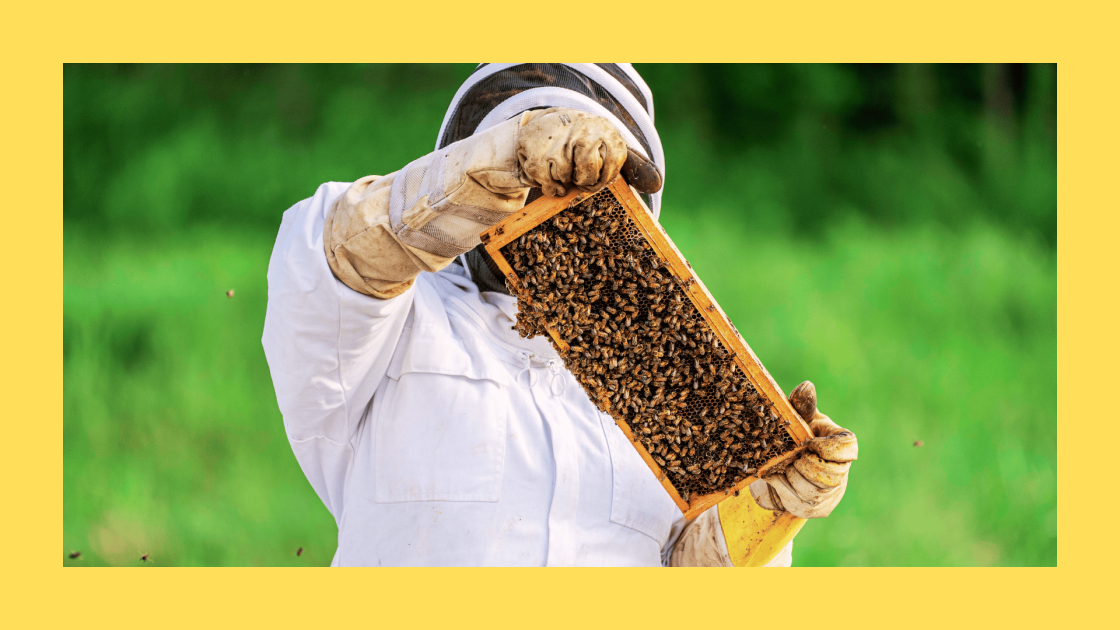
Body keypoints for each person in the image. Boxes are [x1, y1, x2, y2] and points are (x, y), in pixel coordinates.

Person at [262, 64, 858, 567]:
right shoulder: (398, 325)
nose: (560, 196)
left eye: (593, 177)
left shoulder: (671, 390)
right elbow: (334, 250)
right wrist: (503, 161)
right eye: (547, 168)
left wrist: (763, 505)